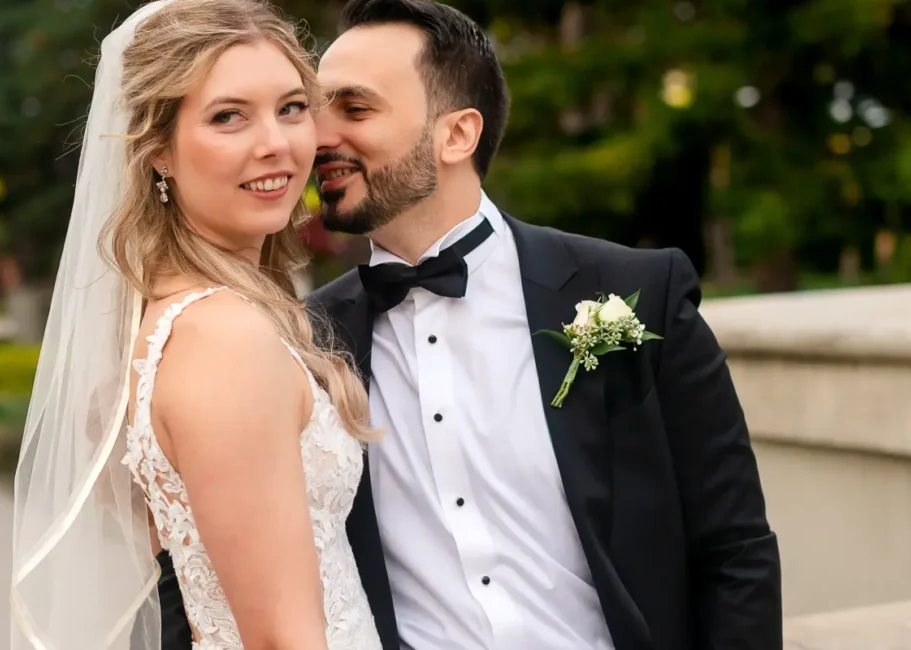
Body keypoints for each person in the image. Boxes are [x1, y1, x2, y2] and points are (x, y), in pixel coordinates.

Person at [162, 0, 783, 649]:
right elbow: (205, 563)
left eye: (356, 109)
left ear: (457, 134)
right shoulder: (295, 343)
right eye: (315, 108)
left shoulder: (638, 293)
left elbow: (734, 548)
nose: (317, 138)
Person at [10, 1, 384, 649]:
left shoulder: (182, 316)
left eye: (291, 108)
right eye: (228, 116)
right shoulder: (223, 338)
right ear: (159, 151)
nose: (275, 143)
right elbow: (280, 638)